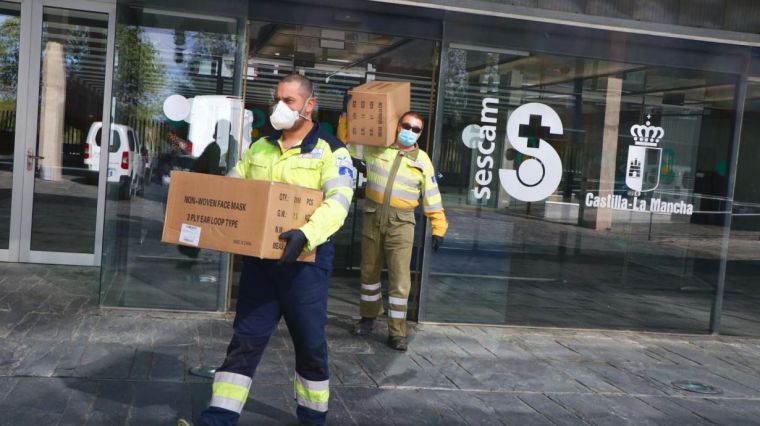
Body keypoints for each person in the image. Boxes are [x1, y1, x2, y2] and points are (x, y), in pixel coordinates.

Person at [178, 74, 353, 426]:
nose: (280, 107)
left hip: (306, 263)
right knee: (245, 340)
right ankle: (217, 421)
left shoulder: (332, 151)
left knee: (310, 346)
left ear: (309, 105)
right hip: (260, 263)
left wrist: (306, 234)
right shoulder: (260, 146)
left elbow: (340, 202)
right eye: (277, 99)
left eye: (288, 100)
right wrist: (203, 209)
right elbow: (235, 186)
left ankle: (312, 420)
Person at [352, 112, 448, 351]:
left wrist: (439, 226)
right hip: (373, 217)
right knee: (369, 273)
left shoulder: (422, 160)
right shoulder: (378, 149)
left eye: (416, 129)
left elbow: (432, 195)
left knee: (399, 280)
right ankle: (368, 319)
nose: (410, 131)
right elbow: (351, 146)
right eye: (406, 126)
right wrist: (354, 119)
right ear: (396, 127)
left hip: (402, 223)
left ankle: (397, 332)